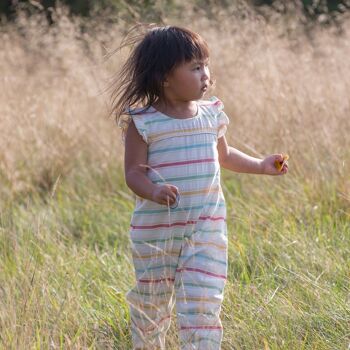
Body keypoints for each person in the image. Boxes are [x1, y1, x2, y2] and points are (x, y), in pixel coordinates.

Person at [112, 25, 288, 350]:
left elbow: (225, 156)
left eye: (205, 64)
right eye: (194, 67)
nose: (205, 74)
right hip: (157, 234)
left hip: (205, 231)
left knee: (204, 303)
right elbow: (133, 173)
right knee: (152, 305)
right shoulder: (144, 122)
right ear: (164, 77)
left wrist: (261, 165)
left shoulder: (211, 115)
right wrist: (153, 191)